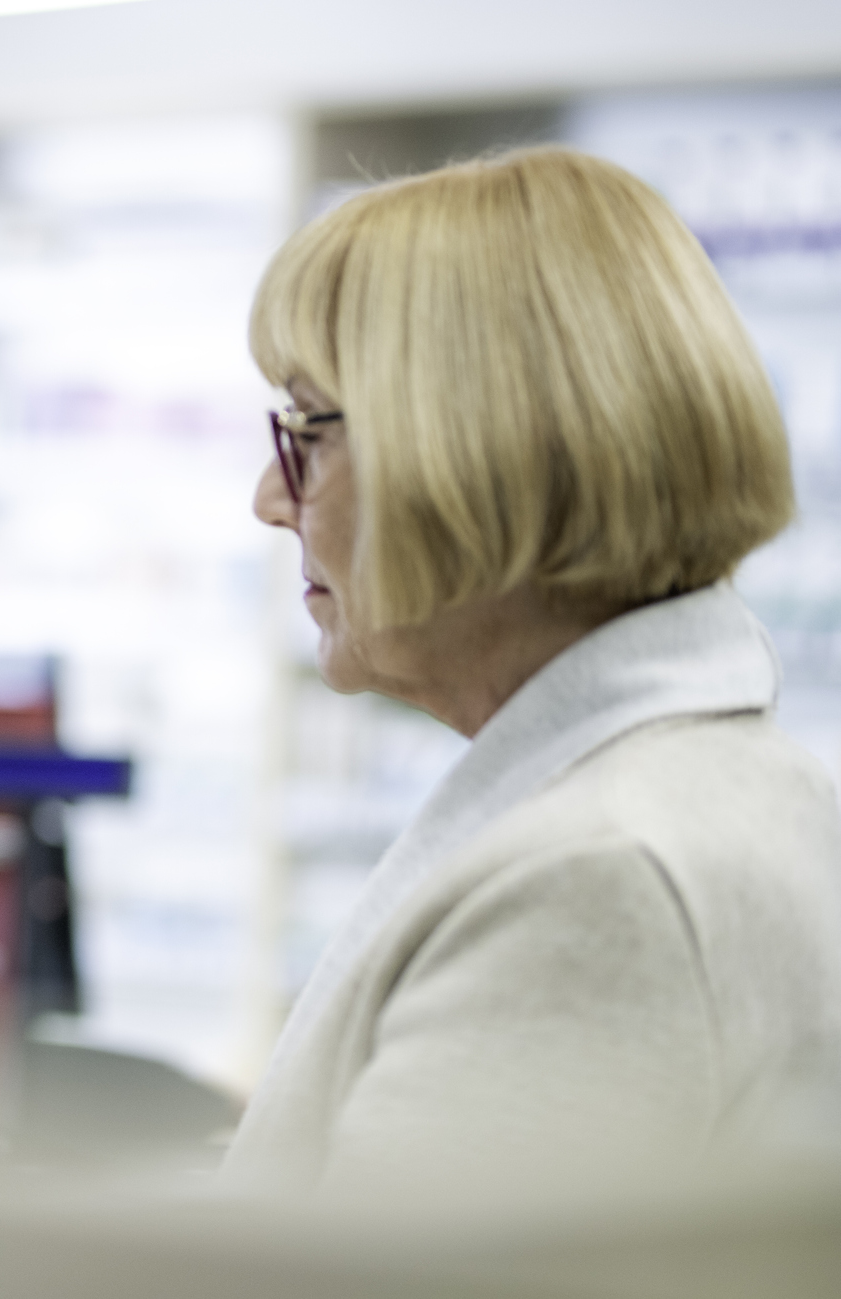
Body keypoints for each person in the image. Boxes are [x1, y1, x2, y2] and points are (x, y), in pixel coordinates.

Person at [232, 145, 841, 1193]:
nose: (269, 498)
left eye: (304, 433)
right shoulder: (714, 781)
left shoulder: (593, 882)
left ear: (462, 452)